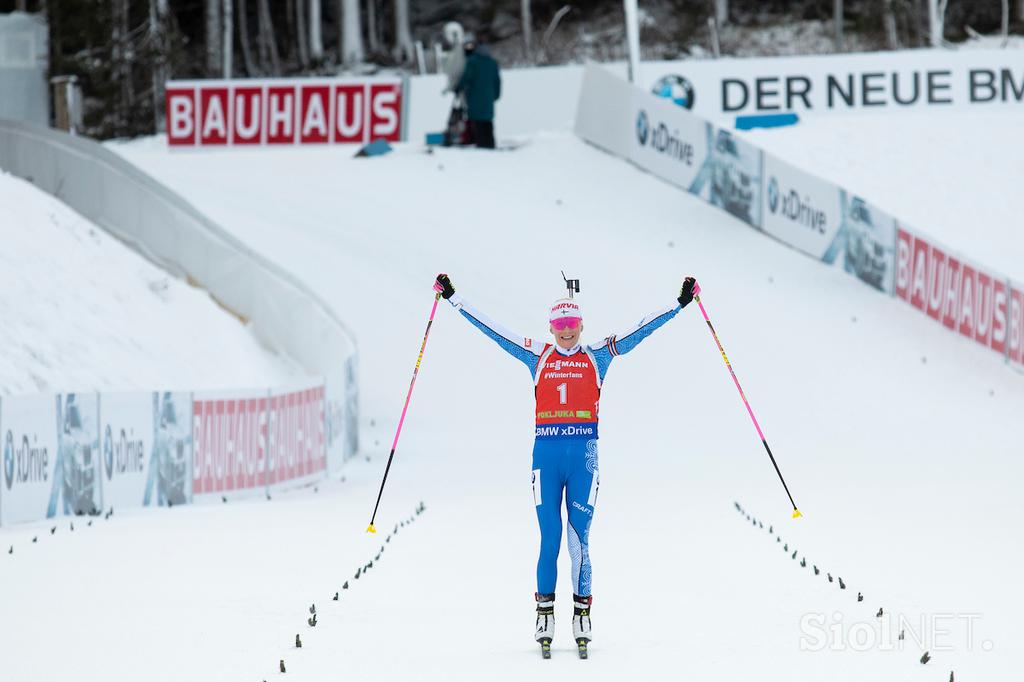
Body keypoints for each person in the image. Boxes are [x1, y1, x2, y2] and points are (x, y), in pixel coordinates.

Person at [432, 273, 699, 657]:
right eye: (560, 326)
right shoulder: (538, 356)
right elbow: (495, 331)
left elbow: (639, 331)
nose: (567, 333)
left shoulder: (597, 356)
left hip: (583, 461)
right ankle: (544, 615)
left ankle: (581, 615)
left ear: (581, 325)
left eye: (572, 325)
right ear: (551, 328)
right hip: (546, 459)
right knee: (550, 538)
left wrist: (679, 304)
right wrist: (455, 301)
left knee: (579, 542)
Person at [455, 40, 501, 149]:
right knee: (487, 121)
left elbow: (466, 78)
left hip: (474, 96)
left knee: (478, 120)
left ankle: (481, 144)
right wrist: (496, 95)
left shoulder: (472, 62)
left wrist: (458, 88)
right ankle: (490, 142)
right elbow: (497, 81)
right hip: (489, 98)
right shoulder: (492, 63)